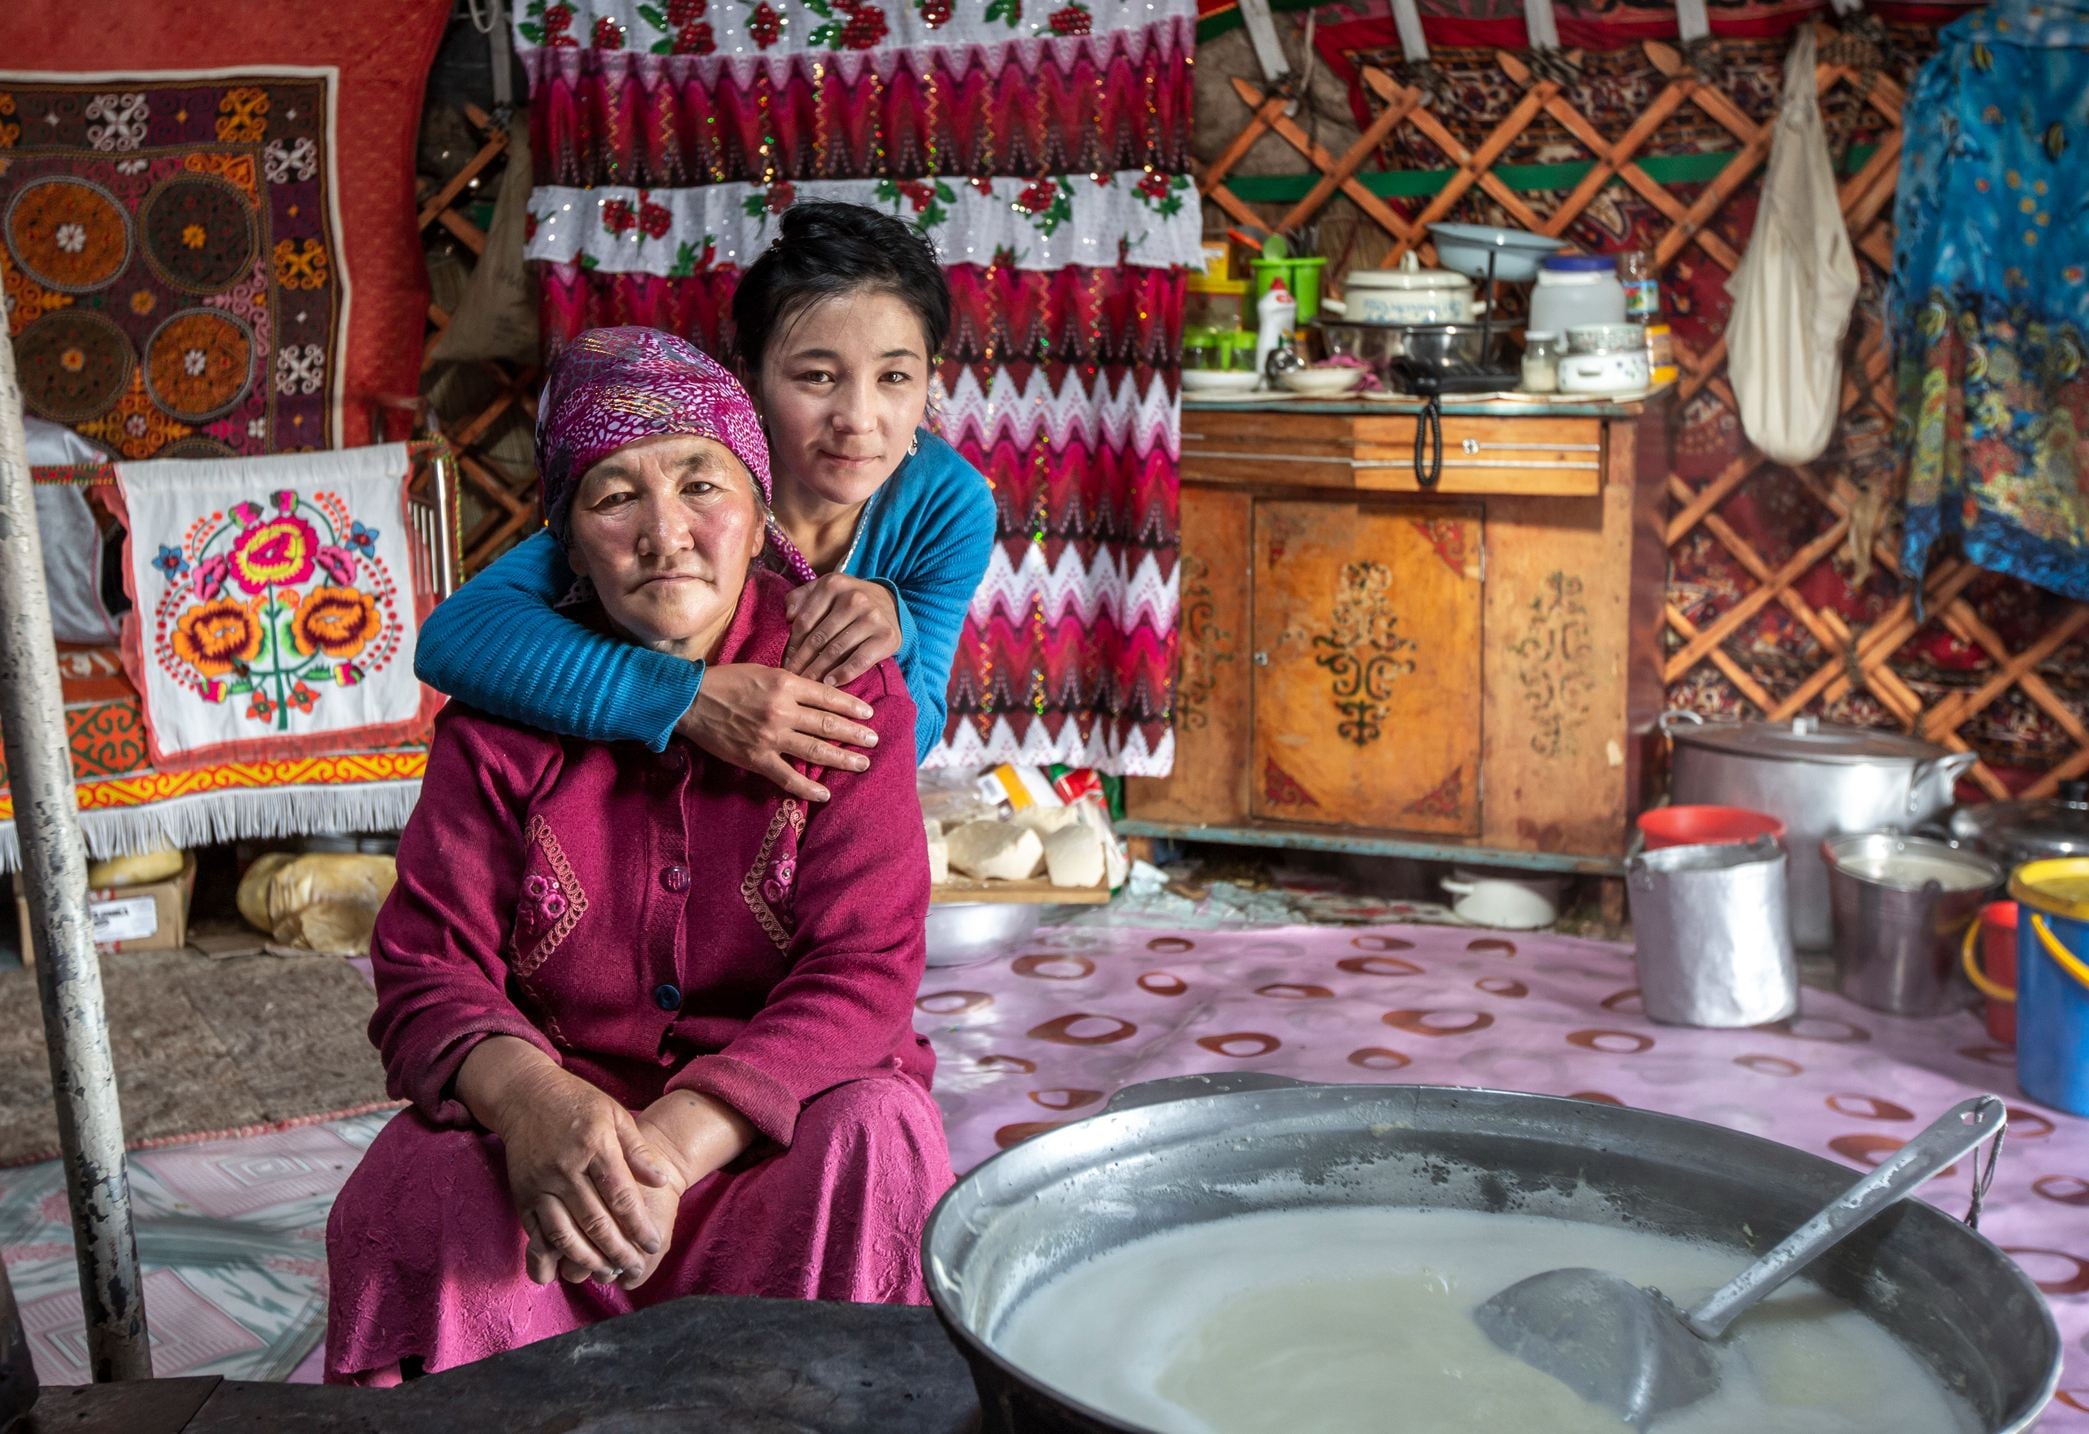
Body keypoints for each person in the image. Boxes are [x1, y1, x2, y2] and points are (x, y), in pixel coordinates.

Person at [325, 329, 948, 1385]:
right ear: (566, 545)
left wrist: (667, 1151)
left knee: (878, 1128)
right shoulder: (505, 717)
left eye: (702, 484)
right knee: (415, 1175)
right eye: (613, 498)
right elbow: (429, 971)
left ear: (759, 518)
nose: (666, 533)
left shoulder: (845, 691)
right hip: (552, 1180)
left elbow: (864, 973)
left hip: (763, 1161)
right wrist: (533, 1107)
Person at [413, 201, 998, 797]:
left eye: (895, 377)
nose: (858, 419)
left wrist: (898, 628)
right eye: (816, 376)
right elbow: (455, 640)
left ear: (930, 378)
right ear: (752, 382)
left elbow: (910, 742)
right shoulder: (689, 479)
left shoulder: (949, 506)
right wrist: (681, 701)